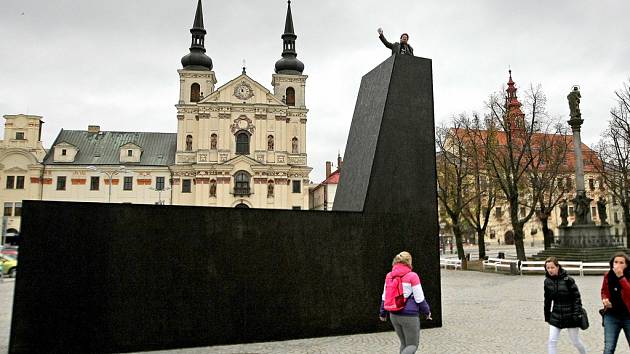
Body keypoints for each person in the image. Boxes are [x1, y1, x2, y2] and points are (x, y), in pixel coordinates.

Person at [379, 251, 431, 354]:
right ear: (409, 261)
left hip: (393, 315)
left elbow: (385, 297)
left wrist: (382, 313)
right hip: (409, 316)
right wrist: (427, 312)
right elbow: (419, 298)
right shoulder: (412, 276)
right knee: (412, 345)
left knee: (404, 344)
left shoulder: (389, 275)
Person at [544, 257, 587, 354]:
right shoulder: (547, 282)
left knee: (575, 342)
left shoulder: (568, 280)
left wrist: (576, 314)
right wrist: (547, 316)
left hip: (571, 315)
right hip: (556, 315)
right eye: (548, 268)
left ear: (558, 267)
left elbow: (577, 298)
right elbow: (547, 300)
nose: (550, 270)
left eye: (552, 267)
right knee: (552, 341)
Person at [601, 252, 630, 353]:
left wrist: (621, 277)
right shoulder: (608, 275)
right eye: (615, 262)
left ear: (626, 265)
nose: (618, 264)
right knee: (608, 348)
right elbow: (603, 291)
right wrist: (605, 299)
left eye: (621, 262)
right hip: (611, 315)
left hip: (628, 316)